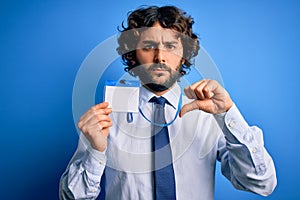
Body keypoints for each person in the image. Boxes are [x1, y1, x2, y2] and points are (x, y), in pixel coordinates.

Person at [59, 5, 277, 200]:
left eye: (171, 46)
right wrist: (96, 151)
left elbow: (261, 183)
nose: (160, 57)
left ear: (184, 55)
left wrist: (228, 113)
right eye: (148, 46)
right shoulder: (107, 117)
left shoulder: (208, 115)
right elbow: (72, 198)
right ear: (133, 55)